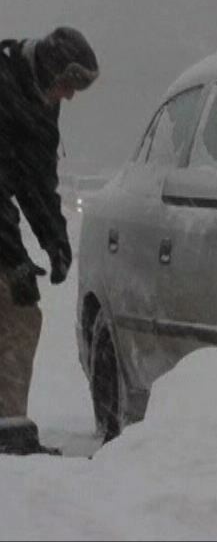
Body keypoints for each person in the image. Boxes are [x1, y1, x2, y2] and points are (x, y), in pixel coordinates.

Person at [0, 27, 99, 455]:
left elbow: (37, 180)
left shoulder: (39, 105)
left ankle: (9, 426)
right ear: (47, 68)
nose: (70, 97)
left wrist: (54, 239)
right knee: (14, 307)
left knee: (21, 312)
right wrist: (13, 257)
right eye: (68, 84)